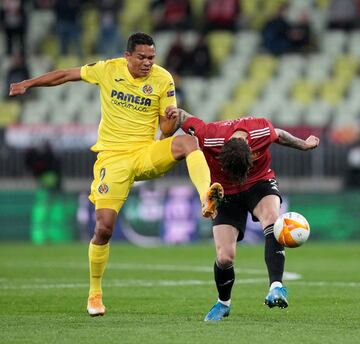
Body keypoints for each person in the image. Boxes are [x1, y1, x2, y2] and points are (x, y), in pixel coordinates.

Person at [9, 32, 224, 317]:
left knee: (188, 142)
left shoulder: (163, 79)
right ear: (127, 56)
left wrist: (170, 121)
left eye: (151, 57)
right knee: (103, 229)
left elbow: (166, 130)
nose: (148, 63)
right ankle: (95, 294)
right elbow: (65, 75)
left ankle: (206, 197)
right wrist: (28, 83)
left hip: (145, 153)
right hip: (113, 159)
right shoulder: (108, 69)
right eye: (142, 57)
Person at [163, 106, 320, 321]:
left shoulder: (260, 129)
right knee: (225, 257)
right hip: (225, 191)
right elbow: (182, 117)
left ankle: (276, 286)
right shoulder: (209, 135)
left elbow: (280, 135)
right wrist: (171, 113)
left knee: (273, 221)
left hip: (259, 182)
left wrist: (304, 145)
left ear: (250, 148)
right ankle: (223, 303)